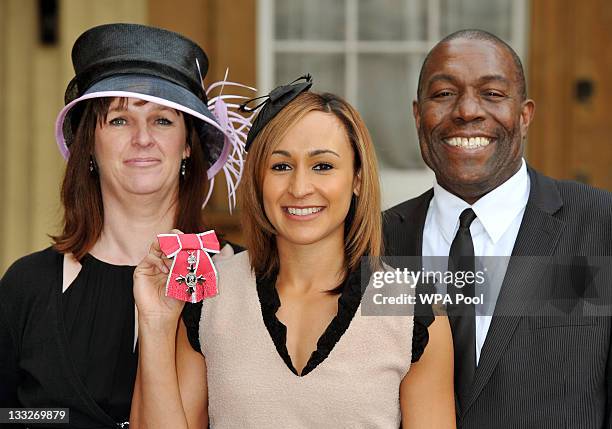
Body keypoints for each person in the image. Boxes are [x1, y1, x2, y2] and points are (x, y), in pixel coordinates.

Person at [130, 77, 456, 428]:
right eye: (281, 166)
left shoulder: (414, 309)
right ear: (258, 180)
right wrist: (156, 325)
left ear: (358, 178)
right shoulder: (209, 292)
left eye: (323, 166)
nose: (300, 188)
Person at [0, 23, 249, 428]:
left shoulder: (237, 276)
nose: (142, 138)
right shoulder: (27, 286)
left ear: (188, 144)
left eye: (163, 121)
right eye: (119, 120)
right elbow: (8, 415)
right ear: (89, 145)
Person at [383, 29, 612, 428]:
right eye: (443, 94)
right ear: (418, 116)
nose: (468, 111)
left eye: (492, 94)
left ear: (524, 116)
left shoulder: (602, 226)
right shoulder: (377, 242)